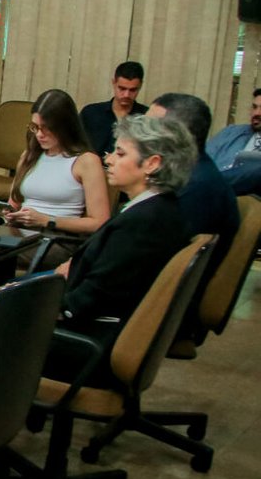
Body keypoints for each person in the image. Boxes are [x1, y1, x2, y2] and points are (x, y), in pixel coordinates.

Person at [51, 114, 192, 346]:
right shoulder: (161, 207)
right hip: (101, 326)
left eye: (120, 153)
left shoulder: (143, 223)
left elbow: (90, 298)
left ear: (152, 163)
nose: (109, 160)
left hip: (87, 338)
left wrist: (35, 309)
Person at [3, 89, 111, 241]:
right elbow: (14, 202)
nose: (39, 134)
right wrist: (10, 213)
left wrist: (47, 220)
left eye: (46, 128)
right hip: (21, 233)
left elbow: (99, 222)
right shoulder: (29, 155)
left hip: (57, 238)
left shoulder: (85, 161)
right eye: (35, 127)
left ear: (65, 127)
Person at [147, 92, 238, 244]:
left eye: (150, 127)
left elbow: (159, 247)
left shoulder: (196, 188)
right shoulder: (186, 172)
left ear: (178, 136)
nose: (140, 134)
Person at [79, 60, 148, 156]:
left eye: (133, 90)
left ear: (140, 86)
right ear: (114, 83)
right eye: (122, 88)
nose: (126, 95)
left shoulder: (147, 117)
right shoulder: (91, 113)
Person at [207, 87, 261, 195]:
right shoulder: (231, 132)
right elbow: (202, 161)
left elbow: (248, 175)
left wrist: (205, 183)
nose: (256, 113)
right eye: (254, 107)